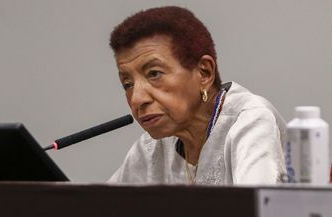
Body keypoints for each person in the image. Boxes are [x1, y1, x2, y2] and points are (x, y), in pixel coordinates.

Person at [107, 6, 287, 185]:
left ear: (204, 73)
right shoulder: (151, 149)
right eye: (128, 84)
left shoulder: (251, 122)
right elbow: (99, 210)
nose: (137, 99)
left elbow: (256, 211)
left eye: (154, 74)